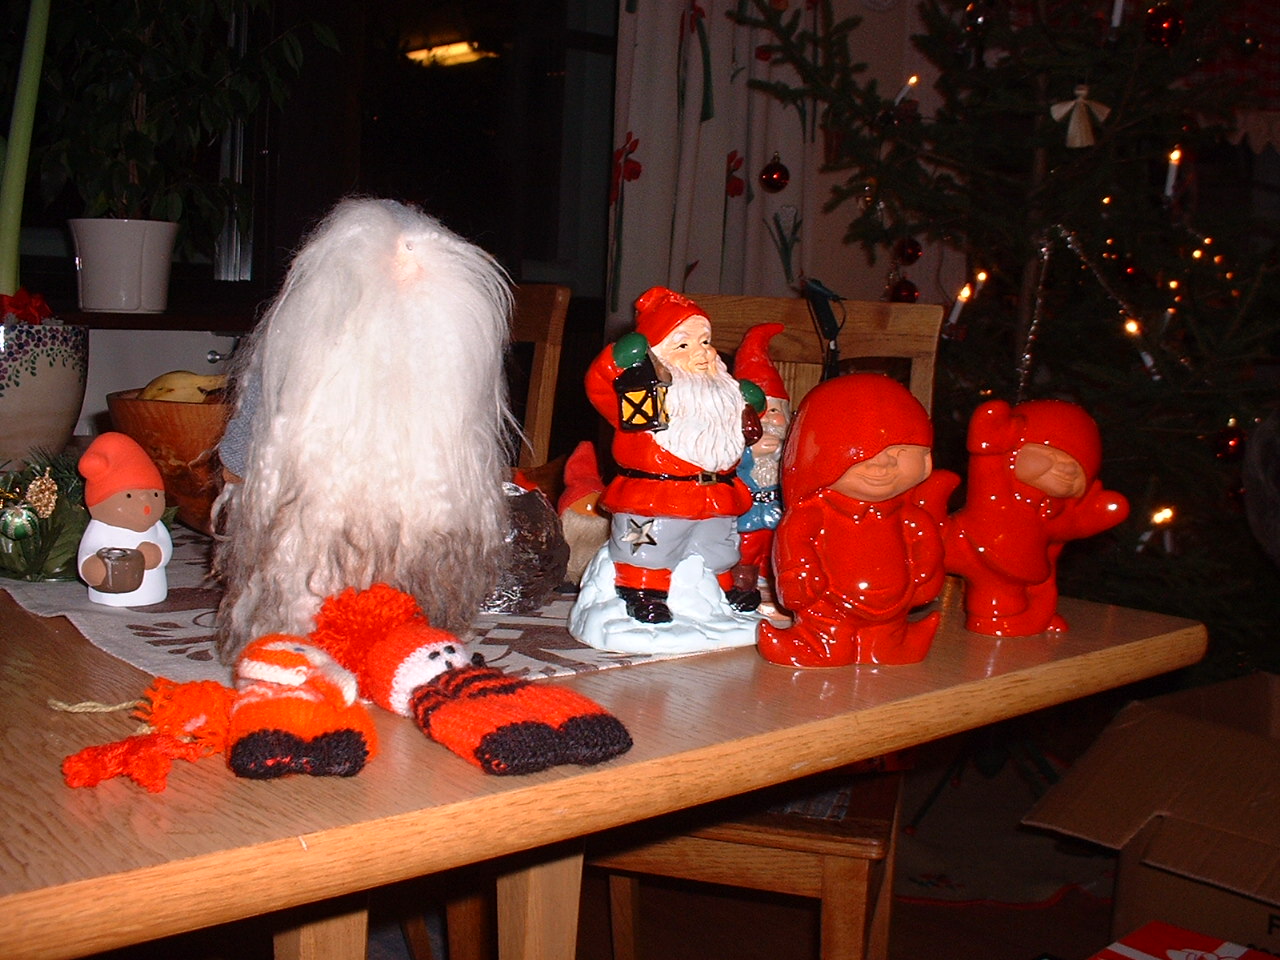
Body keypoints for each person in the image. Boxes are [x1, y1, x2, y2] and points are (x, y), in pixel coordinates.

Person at [584, 286, 760, 624]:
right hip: (658, 495)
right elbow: (600, 385)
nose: (701, 353)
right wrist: (616, 362)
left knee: (719, 545)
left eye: (705, 341)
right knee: (651, 546)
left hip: (716, 493)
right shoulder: (642, 396)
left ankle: (722, 586)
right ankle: (643, 591)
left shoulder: (723, 390)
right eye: (683, 345)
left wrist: (750, 409)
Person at [758, 373, 945, 667]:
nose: (883, 465)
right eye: (864, 455)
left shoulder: (909, 517)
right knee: (830, 642)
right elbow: (794, 543)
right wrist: (799, 573)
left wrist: (925, 572)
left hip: (894, 600)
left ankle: (893, 643)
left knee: (885, 644)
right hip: (829, 604)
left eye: (899, 452)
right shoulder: (813, 513)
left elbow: (926, 545)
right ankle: (815, 645)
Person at [941, 398, 1129, 636]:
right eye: (1053, 455)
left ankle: (1033, 616)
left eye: (1078, 467)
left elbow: (1065, 529)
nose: (1067, 469)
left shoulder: (1053, 509)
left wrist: (1088, 518)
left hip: (1027, 567)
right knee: (999, 597)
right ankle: (993, 618)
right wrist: (988, 448)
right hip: (980, 549)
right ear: (1012, 451)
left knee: (1031, 588)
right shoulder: (995, 490)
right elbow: (986, 463)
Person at [76, 432, 173, 607]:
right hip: (107, 595)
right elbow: (87, 552)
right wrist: (93, 568)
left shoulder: (156, 526)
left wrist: (158, 554)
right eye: (129, 496)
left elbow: (165, 545)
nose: (147, 505)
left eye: (155, 494)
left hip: (152, 589)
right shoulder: (99, 529)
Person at [731, 323, 791, 606]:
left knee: (779, 556)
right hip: (744, 520)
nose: (766, 420)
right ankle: (742, 593)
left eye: (775, 411)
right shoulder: (732, 450)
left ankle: (779, 594)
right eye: (758, 412)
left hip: (779, 521)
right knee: (743, 556)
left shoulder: (790, 449)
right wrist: (748, 452)